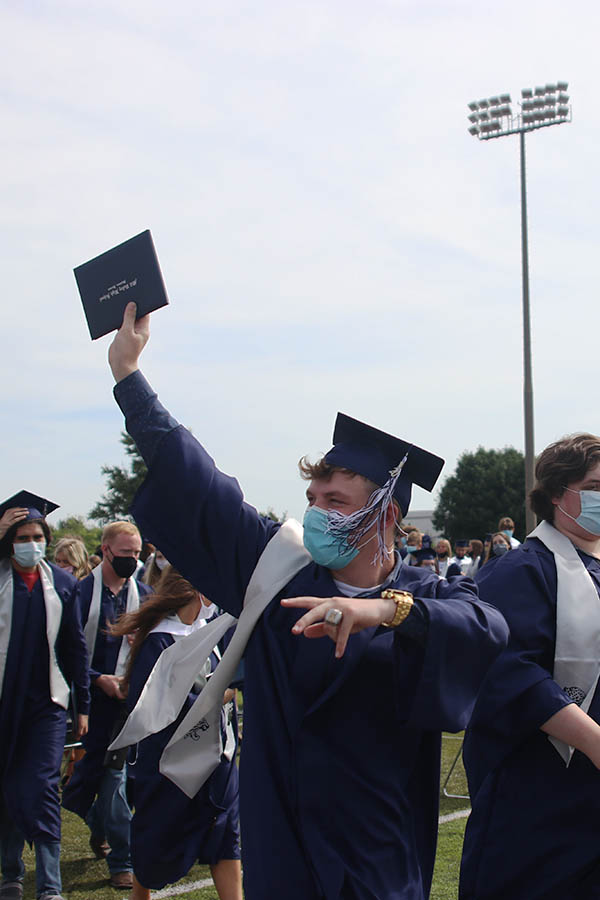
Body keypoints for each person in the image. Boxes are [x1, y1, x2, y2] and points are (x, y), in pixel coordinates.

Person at [106, 303, 508, 900]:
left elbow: (484, 627)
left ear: (386, 515)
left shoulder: (430, 592)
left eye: (337, 500)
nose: (317, 511)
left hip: (378, 836)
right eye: (313, 496)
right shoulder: (279, 572)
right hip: (285, 831)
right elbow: (201, 488)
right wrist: (130, 380)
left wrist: (384, 610)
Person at [460, 434, 600, 899]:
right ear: (558, 494)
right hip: (543, 800)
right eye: (597, 486)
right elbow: (509, 674)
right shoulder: (520, 571)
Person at [110, 566, 241, 900]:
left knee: (226, 835)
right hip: (172, 764)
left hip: (218, 758)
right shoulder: (160, 641)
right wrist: (220, 693)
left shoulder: (209, 632)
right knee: (158, 840)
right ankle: (140, 894)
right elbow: (155, 704)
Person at [0, 492, 89, 900]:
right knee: (6, 790)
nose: (31, 543)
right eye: (21, 536)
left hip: (45, 705)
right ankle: (10, 872)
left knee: (39, 786)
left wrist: (82, 705)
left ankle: (50, 887)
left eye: (38, 535)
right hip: (3, 704)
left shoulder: (64, 584)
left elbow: (75, 649)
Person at [62, 520, 151, 890]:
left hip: (125, 708)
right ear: (105, 550)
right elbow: (65, 650)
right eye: (125, 553)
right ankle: (100, 825)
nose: (132, 559)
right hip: (87, 705)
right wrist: (98, 677)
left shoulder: (145, 596)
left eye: (137, 553)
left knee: (115, 783)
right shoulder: (80, 593)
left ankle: (122, 861)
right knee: (78, 789)